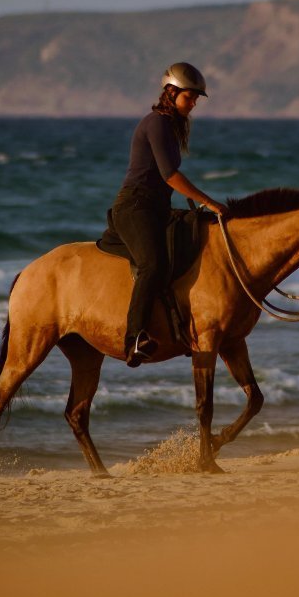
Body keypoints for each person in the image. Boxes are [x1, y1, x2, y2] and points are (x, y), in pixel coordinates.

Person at [111, 62, 228, 368]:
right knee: (153, 264)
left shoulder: (171, 126)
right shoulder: (157, 123)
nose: (193, 104)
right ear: (171, 92)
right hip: (135, 207)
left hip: (157, 208)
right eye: (190, 97)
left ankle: (181, 325)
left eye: (195, 99)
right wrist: (209, 202)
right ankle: (133, 339)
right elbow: (169, 175)